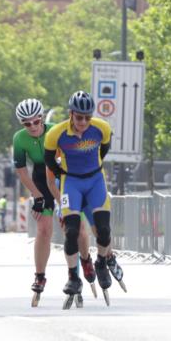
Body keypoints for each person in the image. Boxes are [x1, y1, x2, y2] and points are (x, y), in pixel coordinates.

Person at [44, 91, 125, 307]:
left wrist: (89, 169)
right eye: (79, 117)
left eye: (87, 117)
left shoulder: (102, 128)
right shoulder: (56, 134)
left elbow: (103, 151)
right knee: (71, 232)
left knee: (104, 229)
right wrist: (63, 176)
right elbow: (49, 161)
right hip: (71, 183)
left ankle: (101, 262)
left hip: (95, 181)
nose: (83, 122)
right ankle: (73, 277)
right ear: (71, 114)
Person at [12, 98, 95, 304]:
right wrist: (37, 196)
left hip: (63, 176)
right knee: (43, 229)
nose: (32, 126)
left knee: (74, 226)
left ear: (42, 118)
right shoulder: (19, 139)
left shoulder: (56, 131)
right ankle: (40, 276)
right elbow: (22, 172)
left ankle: (84, 262)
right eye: (27, 123)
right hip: (41, 179)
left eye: (36, 121)